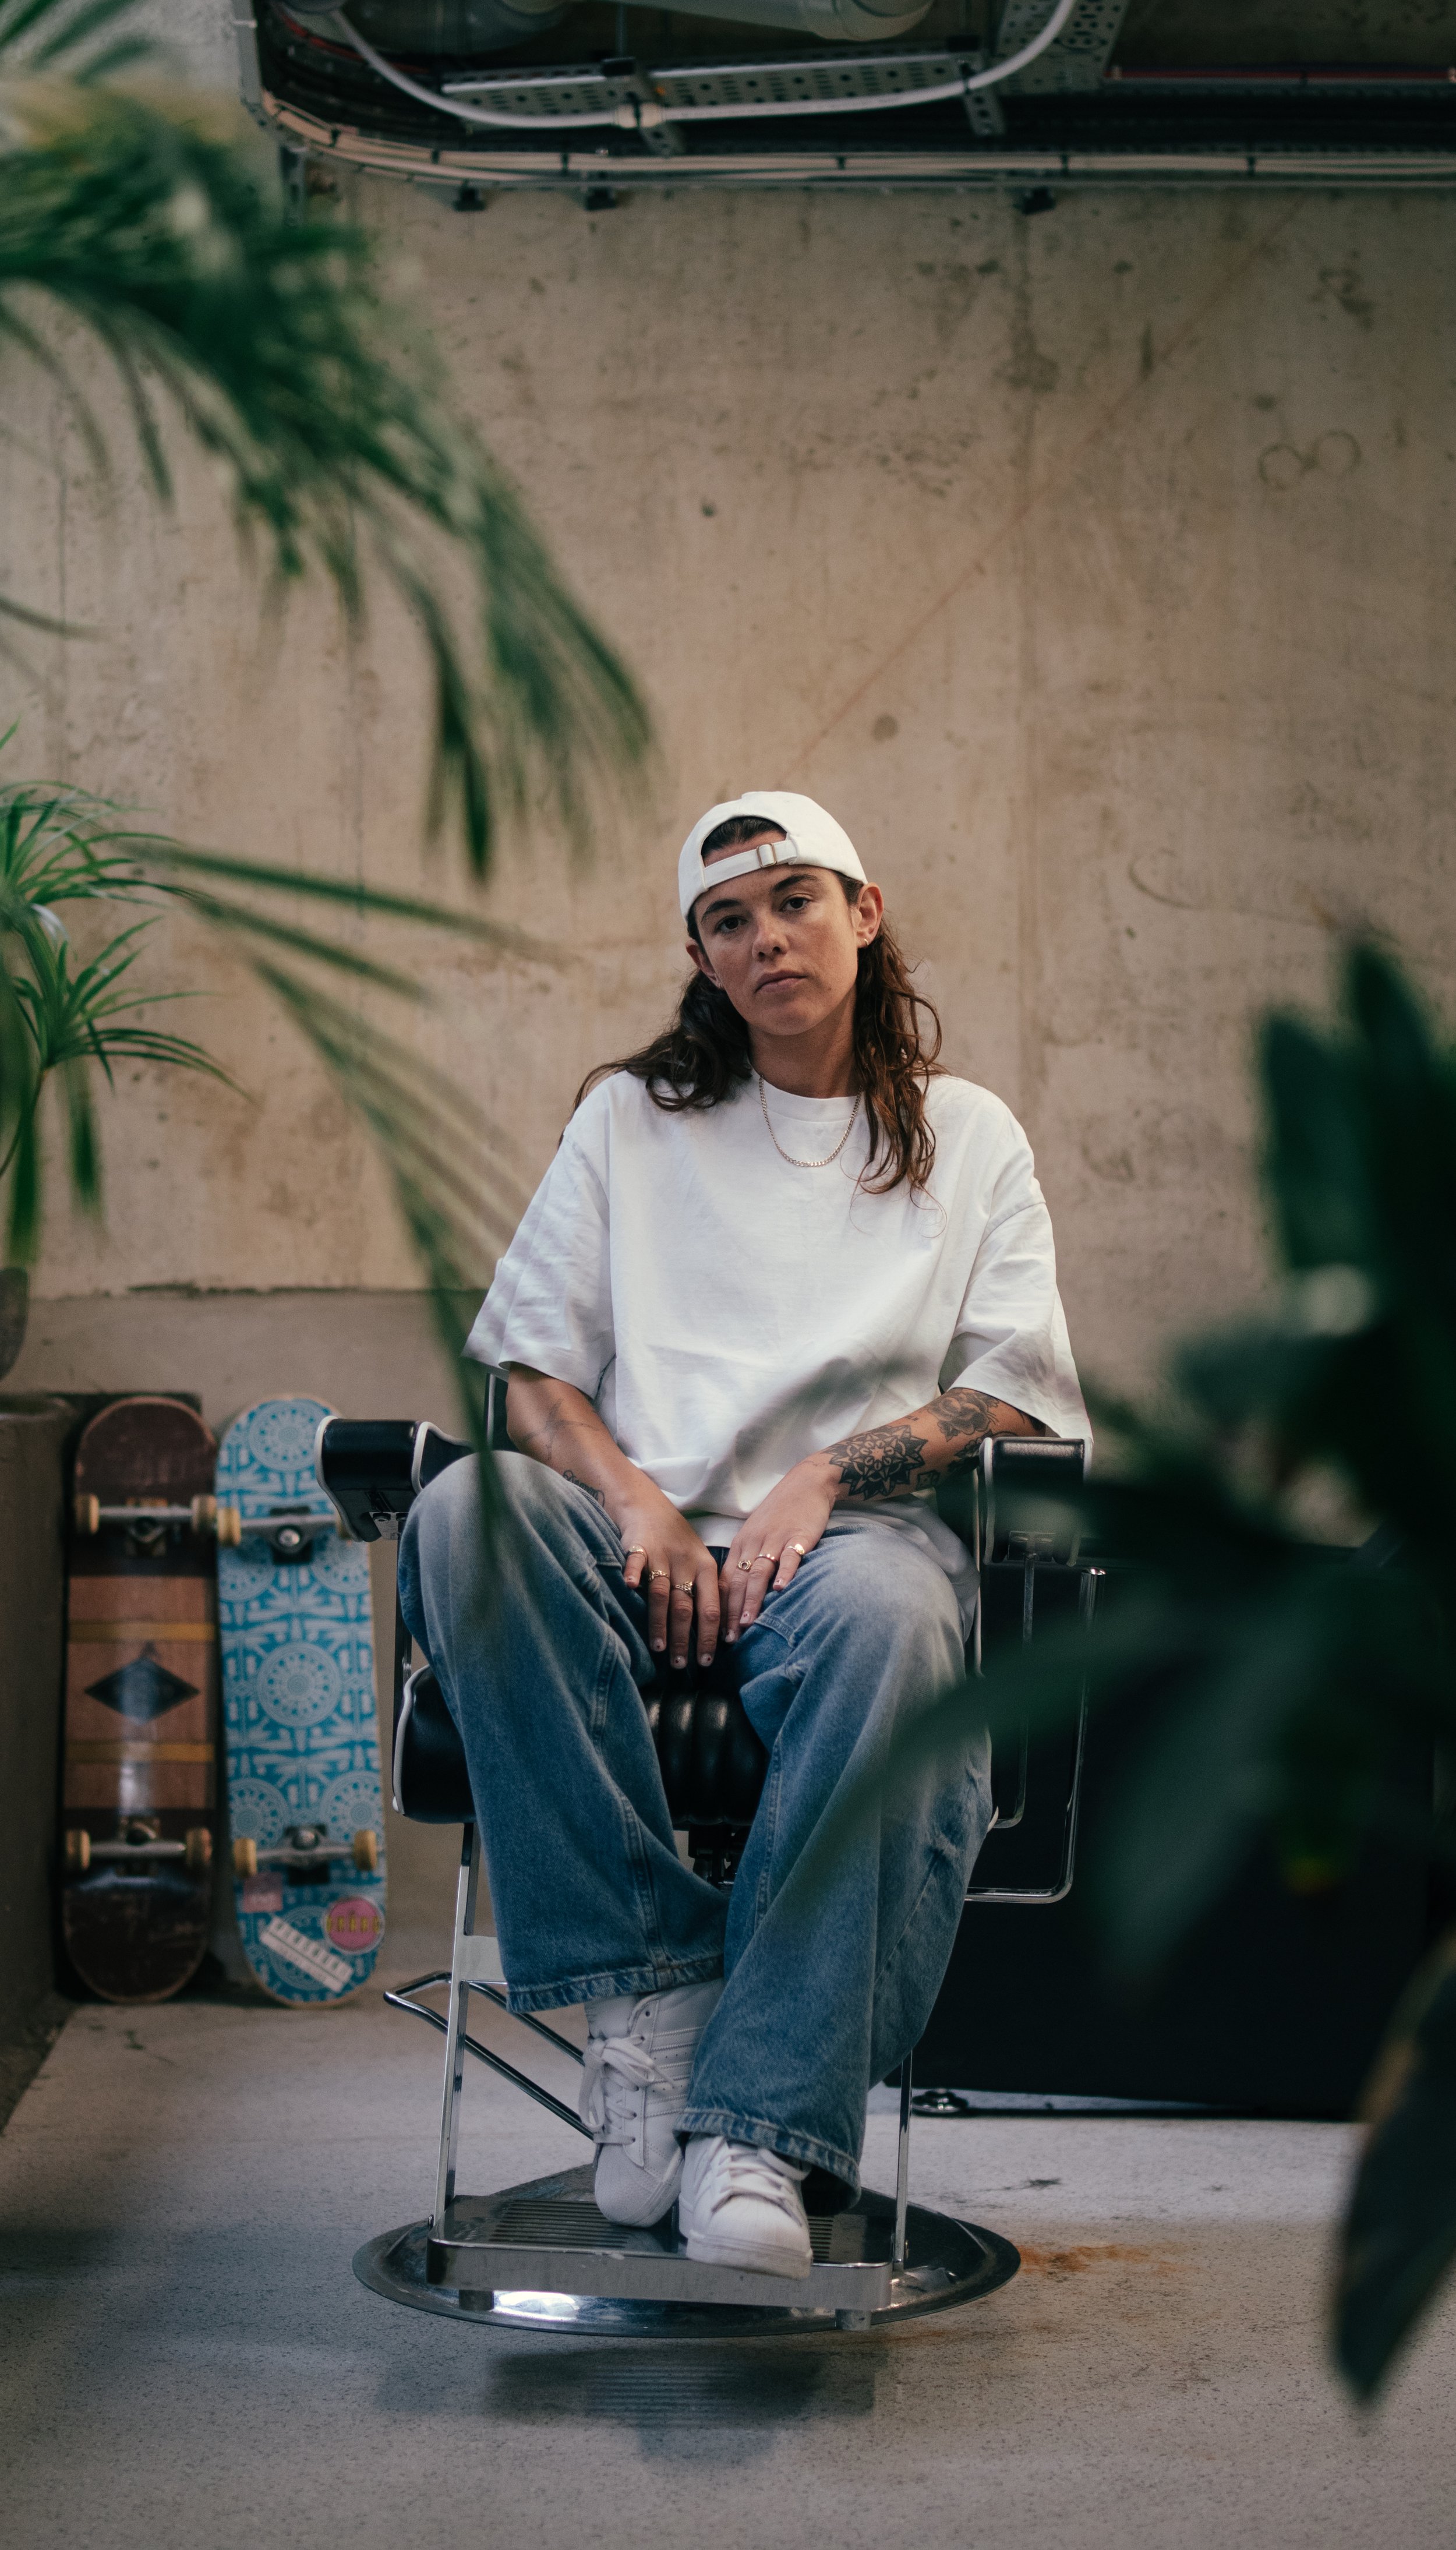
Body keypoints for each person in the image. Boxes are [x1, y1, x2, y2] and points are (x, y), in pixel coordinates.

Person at [399, 790, 1089, 2277]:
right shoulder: (630, 1120)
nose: (766, 936)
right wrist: (635, 1496)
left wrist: (827, 1472)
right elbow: (530, 1374)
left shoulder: (966, 1135)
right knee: (469, 1515)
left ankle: (755, 2125)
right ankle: (651, 2002)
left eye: (793, 899)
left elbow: (1013, 1388)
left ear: (863, 910)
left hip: (853, 1542)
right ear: (700, 958)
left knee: (896, 1620)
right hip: (632, 1534)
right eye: (727, 919)